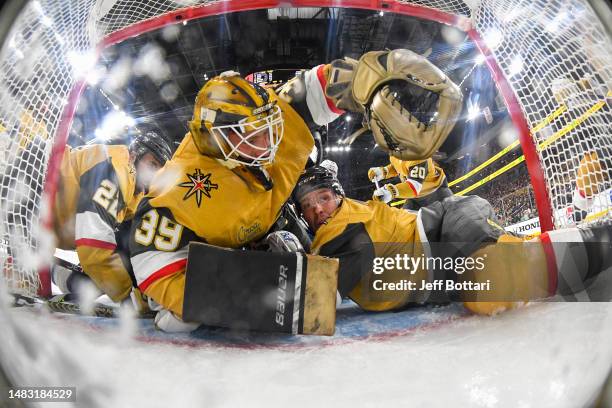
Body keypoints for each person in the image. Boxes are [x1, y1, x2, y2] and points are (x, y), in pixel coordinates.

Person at [128, 49, 464, 332]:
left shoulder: (256, 131)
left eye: (268, 127)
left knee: (302, 269)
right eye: (254, 133)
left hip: (254, 223)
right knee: (308, 300)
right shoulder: (176, 190)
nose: (269, 141)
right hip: (176, 257)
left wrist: (367, 76)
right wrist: (183, 297)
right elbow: (147, 250)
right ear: (217, 138)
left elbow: (312, 90)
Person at [292, 162, 612, 315]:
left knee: (497, 272)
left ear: (338, 196)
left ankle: (601, 240)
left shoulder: (344, 224)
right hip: (437, 269)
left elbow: (312, 301)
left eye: (323, 198)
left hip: (445, 224)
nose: (318, 209)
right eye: (308, 206)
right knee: (488, 278)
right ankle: (580, 219)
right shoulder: (327, 238)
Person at [51, 127, 172, 303]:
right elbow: (93, 245)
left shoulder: (135, 195)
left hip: (45, 216)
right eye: (152, 164)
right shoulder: (117, 170)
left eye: (159, 171)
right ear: (134, 155)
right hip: (30, 181)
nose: (152, 175)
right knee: (20, 283)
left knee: (102, 279)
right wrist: (127, 296)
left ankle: (48, 270)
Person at [368, 156, 452, 210]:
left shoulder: (418, 155)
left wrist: (391, 192)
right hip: (415, 199)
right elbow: (398, 166)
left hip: (436, 195)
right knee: (402, 224)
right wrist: (384, 171)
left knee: (449, 224)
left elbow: (414, 187)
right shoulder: (396, 153)